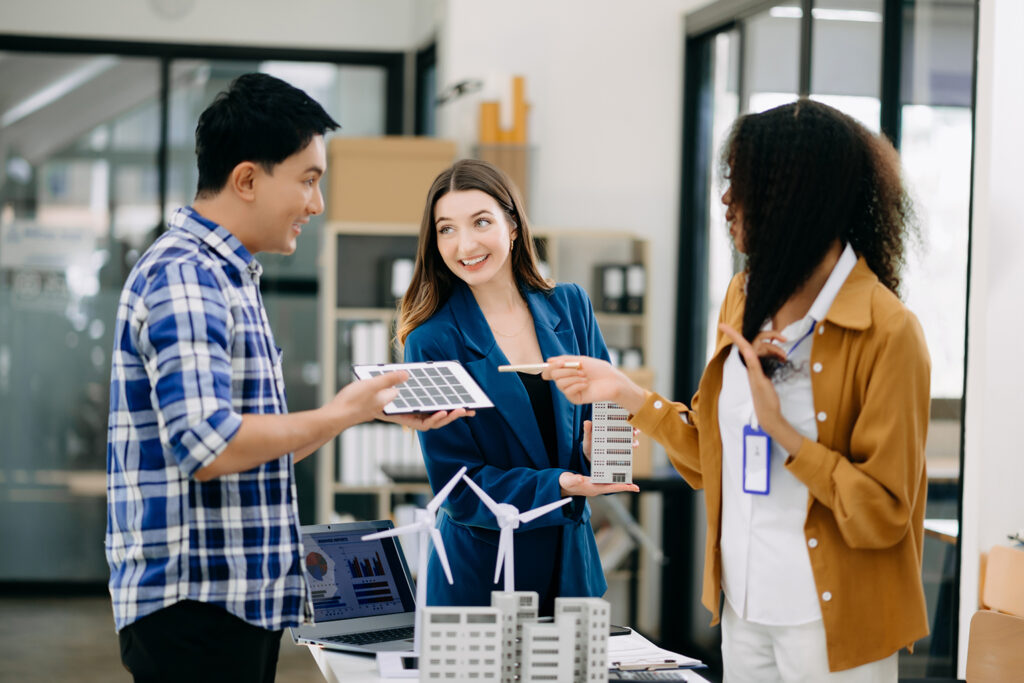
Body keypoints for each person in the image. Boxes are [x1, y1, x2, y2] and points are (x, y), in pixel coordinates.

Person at [545, 99, 930, 680]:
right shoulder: (744, 297)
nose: (727, 199)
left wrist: (785, 435)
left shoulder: (888, 330)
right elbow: (711, 459)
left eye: (743, 183)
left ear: (800, 195)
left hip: (833, 624)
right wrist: (627, 395)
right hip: (744, 609)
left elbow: (883, 515)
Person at [105, 73, 469, 682]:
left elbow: (253, 448)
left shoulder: (226, 277)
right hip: (196, 610)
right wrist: (342, 412)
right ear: (247, 179)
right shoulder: (186, 276)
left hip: (228, 606)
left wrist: (361, 411)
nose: (316, 204)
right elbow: (209, 445)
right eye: (308, 180)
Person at [397, 159, 639, 615]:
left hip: (570, 572)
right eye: (446, 229)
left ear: (512, 225)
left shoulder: (570, 307)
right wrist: (560, 483)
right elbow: (458, 486)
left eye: (481, 222)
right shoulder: (430, 341)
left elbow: (606, 416)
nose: (464, 244)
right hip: (484, 578)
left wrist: (602, 450)